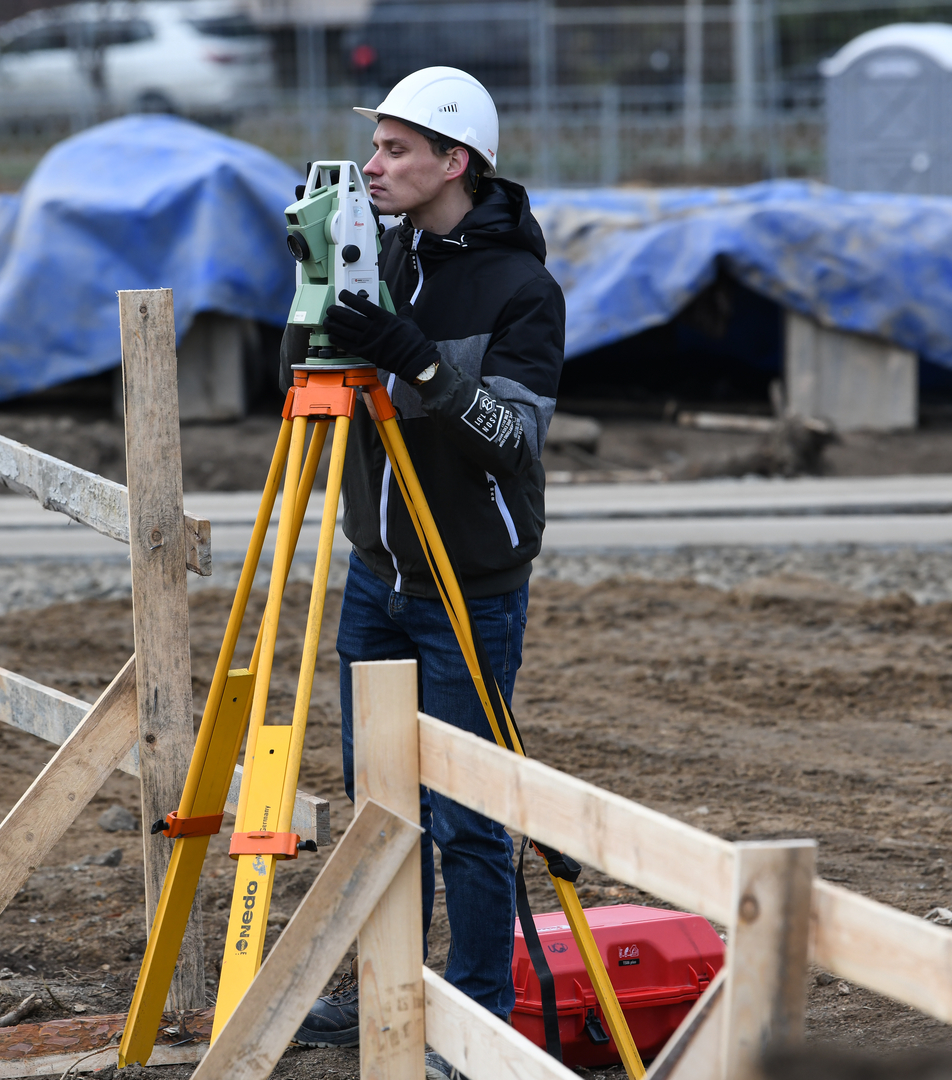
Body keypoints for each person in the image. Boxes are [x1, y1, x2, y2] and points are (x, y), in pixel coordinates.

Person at [287, 66, 565, 1080]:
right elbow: (310, 381)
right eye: (374, 147)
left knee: (467, 817)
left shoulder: (520, 289)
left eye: (397, 149)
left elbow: (511, 440)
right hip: (378, 576)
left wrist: (416, 355)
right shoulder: (380, 253)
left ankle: (474, 1020)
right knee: (379, 805)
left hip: (469, 588)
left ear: (456, 162)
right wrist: (318, 292)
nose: (373, 166)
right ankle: (387, 990)